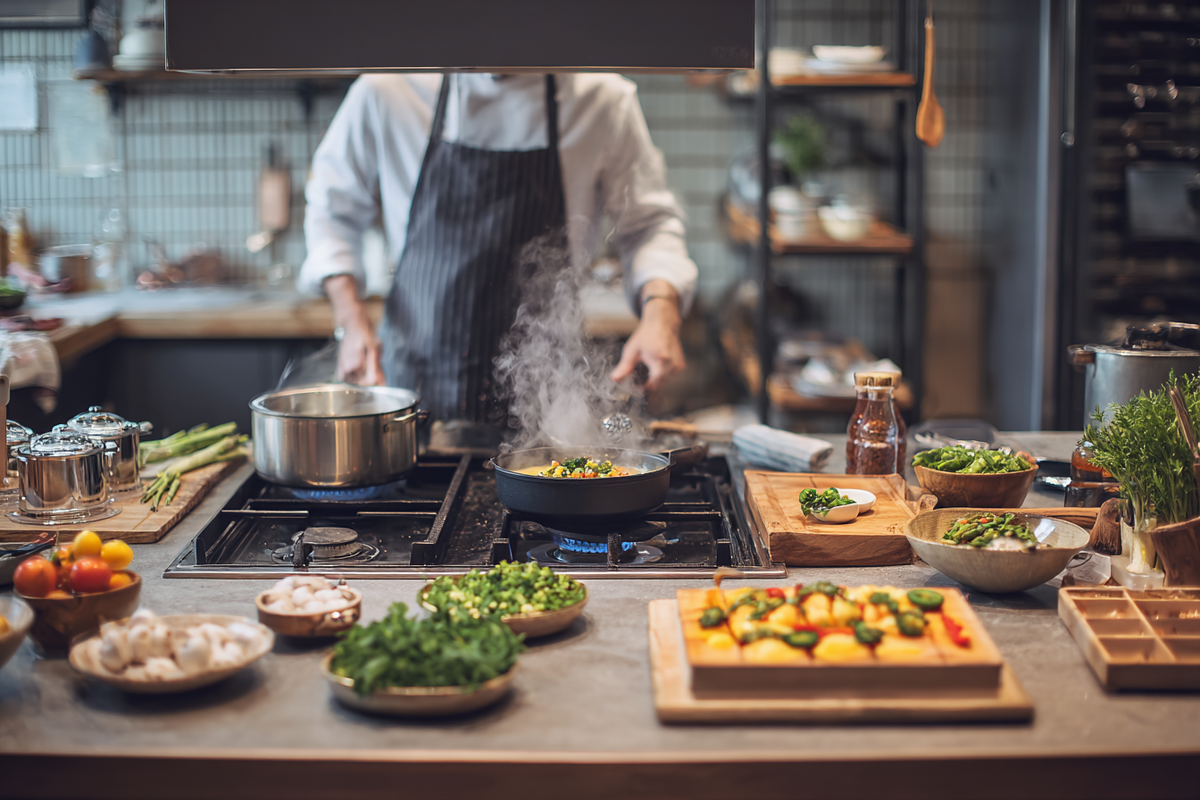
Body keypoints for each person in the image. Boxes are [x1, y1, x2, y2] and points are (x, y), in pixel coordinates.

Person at [299, 73, 698, 425]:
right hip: (413, 395)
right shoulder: (385, 91)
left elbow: (649, 224)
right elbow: (331, 211)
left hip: (550, 395)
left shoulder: (602, 99)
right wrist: (350, 322)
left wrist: (661, 314)